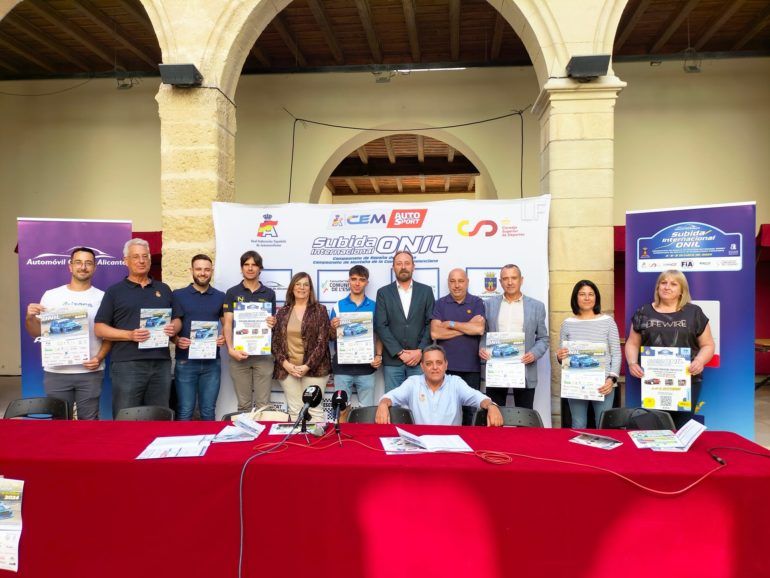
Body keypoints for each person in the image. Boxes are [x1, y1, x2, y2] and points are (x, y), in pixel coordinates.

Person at [24, 247, 111, 420]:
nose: (83, 267)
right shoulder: (51, 295)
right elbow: (35, 333)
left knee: (89, 423)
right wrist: (29, 317)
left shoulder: (103, 297)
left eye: (88, 263)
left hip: (90, 371)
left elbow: (108, 335)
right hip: (56, 371)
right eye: (78, 262)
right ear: (70, 266)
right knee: (60, 423)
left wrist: (99, 358)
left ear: (94, 267)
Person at [95, 238, 177, 416]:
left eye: (145, 256)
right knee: (126, 416)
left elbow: (176, 319)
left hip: (161, 363)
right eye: (136, 257)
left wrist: (174, 328)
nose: (141, 261)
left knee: (159, 416)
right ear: (126, 261)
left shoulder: (164, 289)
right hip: (127, 364)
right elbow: (100, 328)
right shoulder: (114, 291)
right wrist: (129, 335)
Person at [625, 269, 714, 428]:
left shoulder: (694, 312)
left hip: (687, 380)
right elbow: (632, 343)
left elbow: (708, 345)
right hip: (654, 381)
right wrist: (632, 363)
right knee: (655, 426)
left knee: (682, 427)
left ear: (682, 291)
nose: (667, 287)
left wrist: (700, 361)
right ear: (658, 287)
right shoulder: (643, 312)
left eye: (673, 284)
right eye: (663, 283)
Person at [375, 344, 503, 426]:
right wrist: (383, 404)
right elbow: (390, 397)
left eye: (439, 362)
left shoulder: (456, 383)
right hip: (420, 443)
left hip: (451, 444)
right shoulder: (413, 382)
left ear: (446, 364)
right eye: (429, 363)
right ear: (422, 366)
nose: (435, 367)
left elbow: (478, 398)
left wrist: (491, 406)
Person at [480, 264, 548, 409]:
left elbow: (543, 338)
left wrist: (534, 354)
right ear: (500, 282)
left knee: (524, 416)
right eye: (505, 279)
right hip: (496, 369)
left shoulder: (537, 306)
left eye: (514, 278)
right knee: (494, 413)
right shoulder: (489, 304)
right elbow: (484, 333)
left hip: (524, 368)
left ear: (521, 280)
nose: (510, 282)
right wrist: (482, 348)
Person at [555, 280, 621, 428]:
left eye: (591, 294)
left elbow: (616, 353)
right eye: (582, 294)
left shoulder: (608, 321)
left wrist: (611, 379)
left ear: (596, 297)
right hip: (576, 383)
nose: (587, 298)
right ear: (575, 297)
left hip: (604, 383)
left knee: (603, 425)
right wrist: (559, 356)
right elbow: (562, 355)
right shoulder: (567, 323)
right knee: (578, 424)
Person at [171, 254, 226, 421]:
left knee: (208, 411)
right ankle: (182, 439)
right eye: (199, 269)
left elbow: (227, 324)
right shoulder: (178, 295)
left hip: (212, 363)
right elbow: (172, 326)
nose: (203, 273)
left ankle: (209, 439)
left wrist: (223, 337)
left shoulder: (220, 296)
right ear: (191, 270)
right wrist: (176, 340)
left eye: (207, 269)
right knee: (185, 410)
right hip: (185, 362)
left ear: (212, 271)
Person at [272, 272, 331, 422]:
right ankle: (298, 438)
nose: (301, 288)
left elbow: (322, 342)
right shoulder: (283, 312)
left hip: (315, 370)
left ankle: (315, 438)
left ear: (310, 289)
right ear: (292, 288)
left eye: (306, 284)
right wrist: (286, 364)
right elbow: (275, 343)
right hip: (288, 370)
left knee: (314, 411)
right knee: (295, 411)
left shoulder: (320, 310)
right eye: (298, 284)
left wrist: (307, 366)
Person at [222, 251, 277, 413]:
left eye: (254, 265)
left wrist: (273, 322)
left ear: (260, 268)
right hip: (239, 355)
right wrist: (230, 349)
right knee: (244, 406)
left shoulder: (269, 293)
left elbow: (271, 322)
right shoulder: (232, 292)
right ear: (241, 268)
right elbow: (227, 324)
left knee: (263, 406)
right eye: (246, 265)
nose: (250, 268)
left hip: (263, 356)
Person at [374, 250, 435, 392]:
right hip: (393, 361)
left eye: (407, 263)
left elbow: (431, 323)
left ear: (413, 267)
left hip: (419, 360)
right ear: (393, 267)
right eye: (399, 263)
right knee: (393, 401)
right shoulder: (383, 293)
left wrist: (420, 351)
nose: (403, 267)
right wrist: (400, 352)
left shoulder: (426, 291)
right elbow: (381, 326)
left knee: (420, 400)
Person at [329, 265, 382, 406]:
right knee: (340, 408)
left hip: (366, 366)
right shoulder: (338, 306)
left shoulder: (375, 306)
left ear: (367, 283)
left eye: (361, 280)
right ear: (349, 281)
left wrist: (378, 355)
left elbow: (379, 334)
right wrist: (332, 327)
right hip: (342, 366)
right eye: (354, 279)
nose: (357, 283)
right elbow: (330, 337)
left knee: (366, 409)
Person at [430, 268, 485, 389]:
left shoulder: (476, 302)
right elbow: (435, 333)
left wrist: (451, 324)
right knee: (445, 402)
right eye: (452, 281)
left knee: (470, 402)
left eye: (460, 281)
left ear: (467, 282)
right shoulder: (440, 303)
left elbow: (479, 329)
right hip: (444, 368)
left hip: (471, 368)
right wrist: (468, 326)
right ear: (448, 283)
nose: (456, 285)